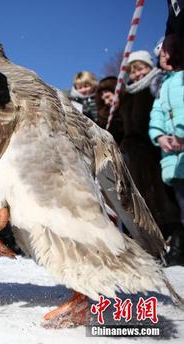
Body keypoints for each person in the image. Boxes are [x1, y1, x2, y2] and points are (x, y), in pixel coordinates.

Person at [120, 50, 182, 250]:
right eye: (133, 71)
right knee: (144, 198)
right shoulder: (126, 97)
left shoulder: (156, 87)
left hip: (153, 149)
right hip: (134, 155)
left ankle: (175, 235)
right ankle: (156, 240)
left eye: (141, 68)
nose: (137, 74)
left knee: (164, 194)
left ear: (149, 67)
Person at [149, 34, 184, 265]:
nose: (162, 57)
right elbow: (158, 113)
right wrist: (159, 136)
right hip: (172, 153)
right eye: (159, 54)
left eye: (166, 51)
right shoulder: (163, 85)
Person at [95, 76, 125, 144]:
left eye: (108, 97)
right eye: (103, 100)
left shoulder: (131, 109)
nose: (106, 102)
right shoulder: (103, 119)